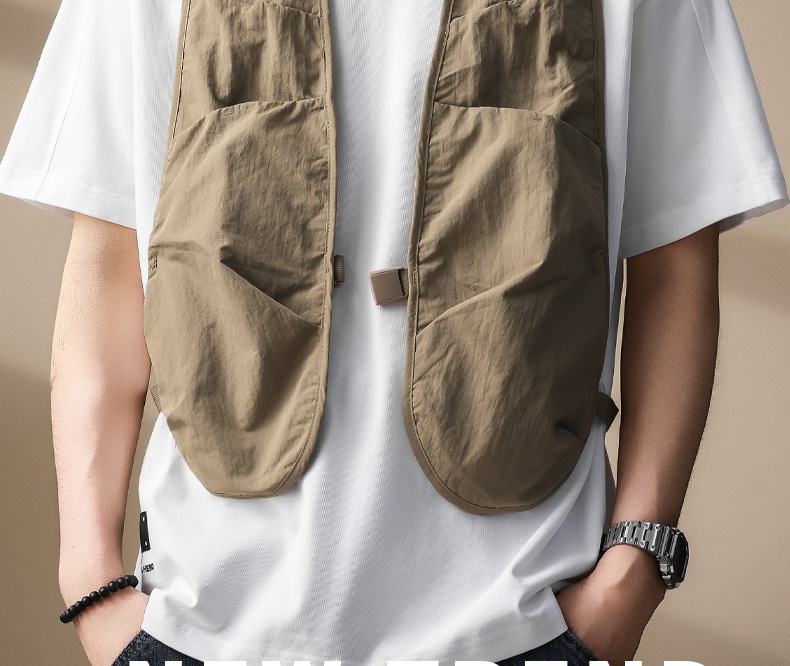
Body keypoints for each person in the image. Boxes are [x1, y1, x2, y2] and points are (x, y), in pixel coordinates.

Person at [0, 1, 786, 665]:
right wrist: (91, 584)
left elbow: (674, 261)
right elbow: (110, 259)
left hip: (520, 628)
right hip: (200, 630)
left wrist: (632, 573)